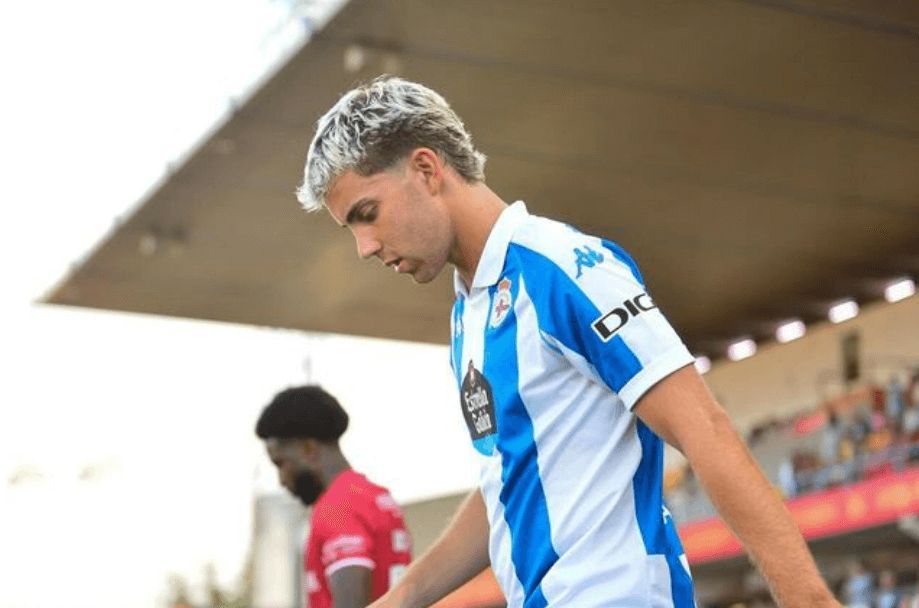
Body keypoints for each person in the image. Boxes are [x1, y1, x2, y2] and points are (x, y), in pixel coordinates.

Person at [297, 76, 839, 608]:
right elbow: (509, 486)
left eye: (367, 215)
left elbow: (705, 430)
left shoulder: (562, 267)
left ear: (425, 169)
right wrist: (404, 597)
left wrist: (808, 599)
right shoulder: (470, 312)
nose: (365, 247)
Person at [255, 385, 412, 608]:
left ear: (309, 449)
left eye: (280, 463)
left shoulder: (337, 506)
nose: (281, 480)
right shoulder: (377, 497)